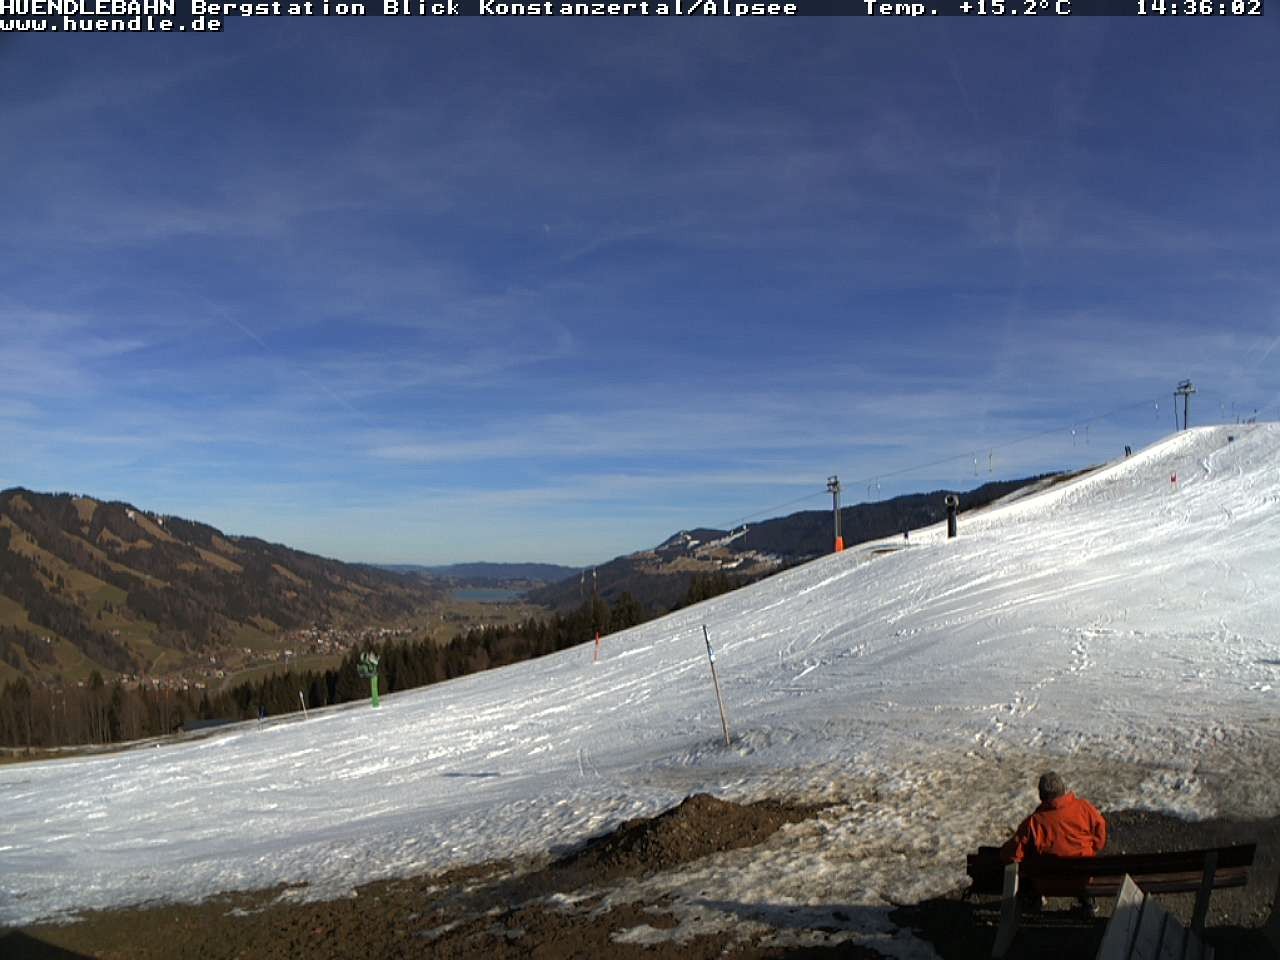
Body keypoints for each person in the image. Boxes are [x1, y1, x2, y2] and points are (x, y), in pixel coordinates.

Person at [1001, 771, 1107, 915]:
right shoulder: (1084, 808)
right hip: (1082, 879)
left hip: (1046, 883)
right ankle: (1087, 902)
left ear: (1041, 796)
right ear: (1064, 789)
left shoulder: (1033, 822)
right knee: (1079, 858)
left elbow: (1013, 855)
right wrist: (1093, 848)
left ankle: (1034, 901)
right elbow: (1100, 832)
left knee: (1030, 862)